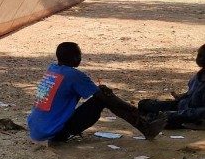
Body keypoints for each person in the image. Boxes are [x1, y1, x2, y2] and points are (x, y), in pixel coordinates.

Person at [28, 42, 167, 143]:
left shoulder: (53, 68)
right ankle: (144, 125)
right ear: (76, 58)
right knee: (103, 98)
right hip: (53, 132)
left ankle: (143, 123)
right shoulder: (73, 75)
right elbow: (103, 97)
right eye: (79, 55)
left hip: (36, 128)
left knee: (102, 95)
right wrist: (131, 108)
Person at [138, 44, 205, 129]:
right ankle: (151, 118)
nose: (198, 59)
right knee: (144, 104)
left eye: (202, 56)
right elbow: (191, 94)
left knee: (165, 118)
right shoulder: (199, 75)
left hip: (194, 113)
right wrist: (181, 96)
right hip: (182, 105)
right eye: (198, 55)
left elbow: (200, 111)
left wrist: (177, 114)